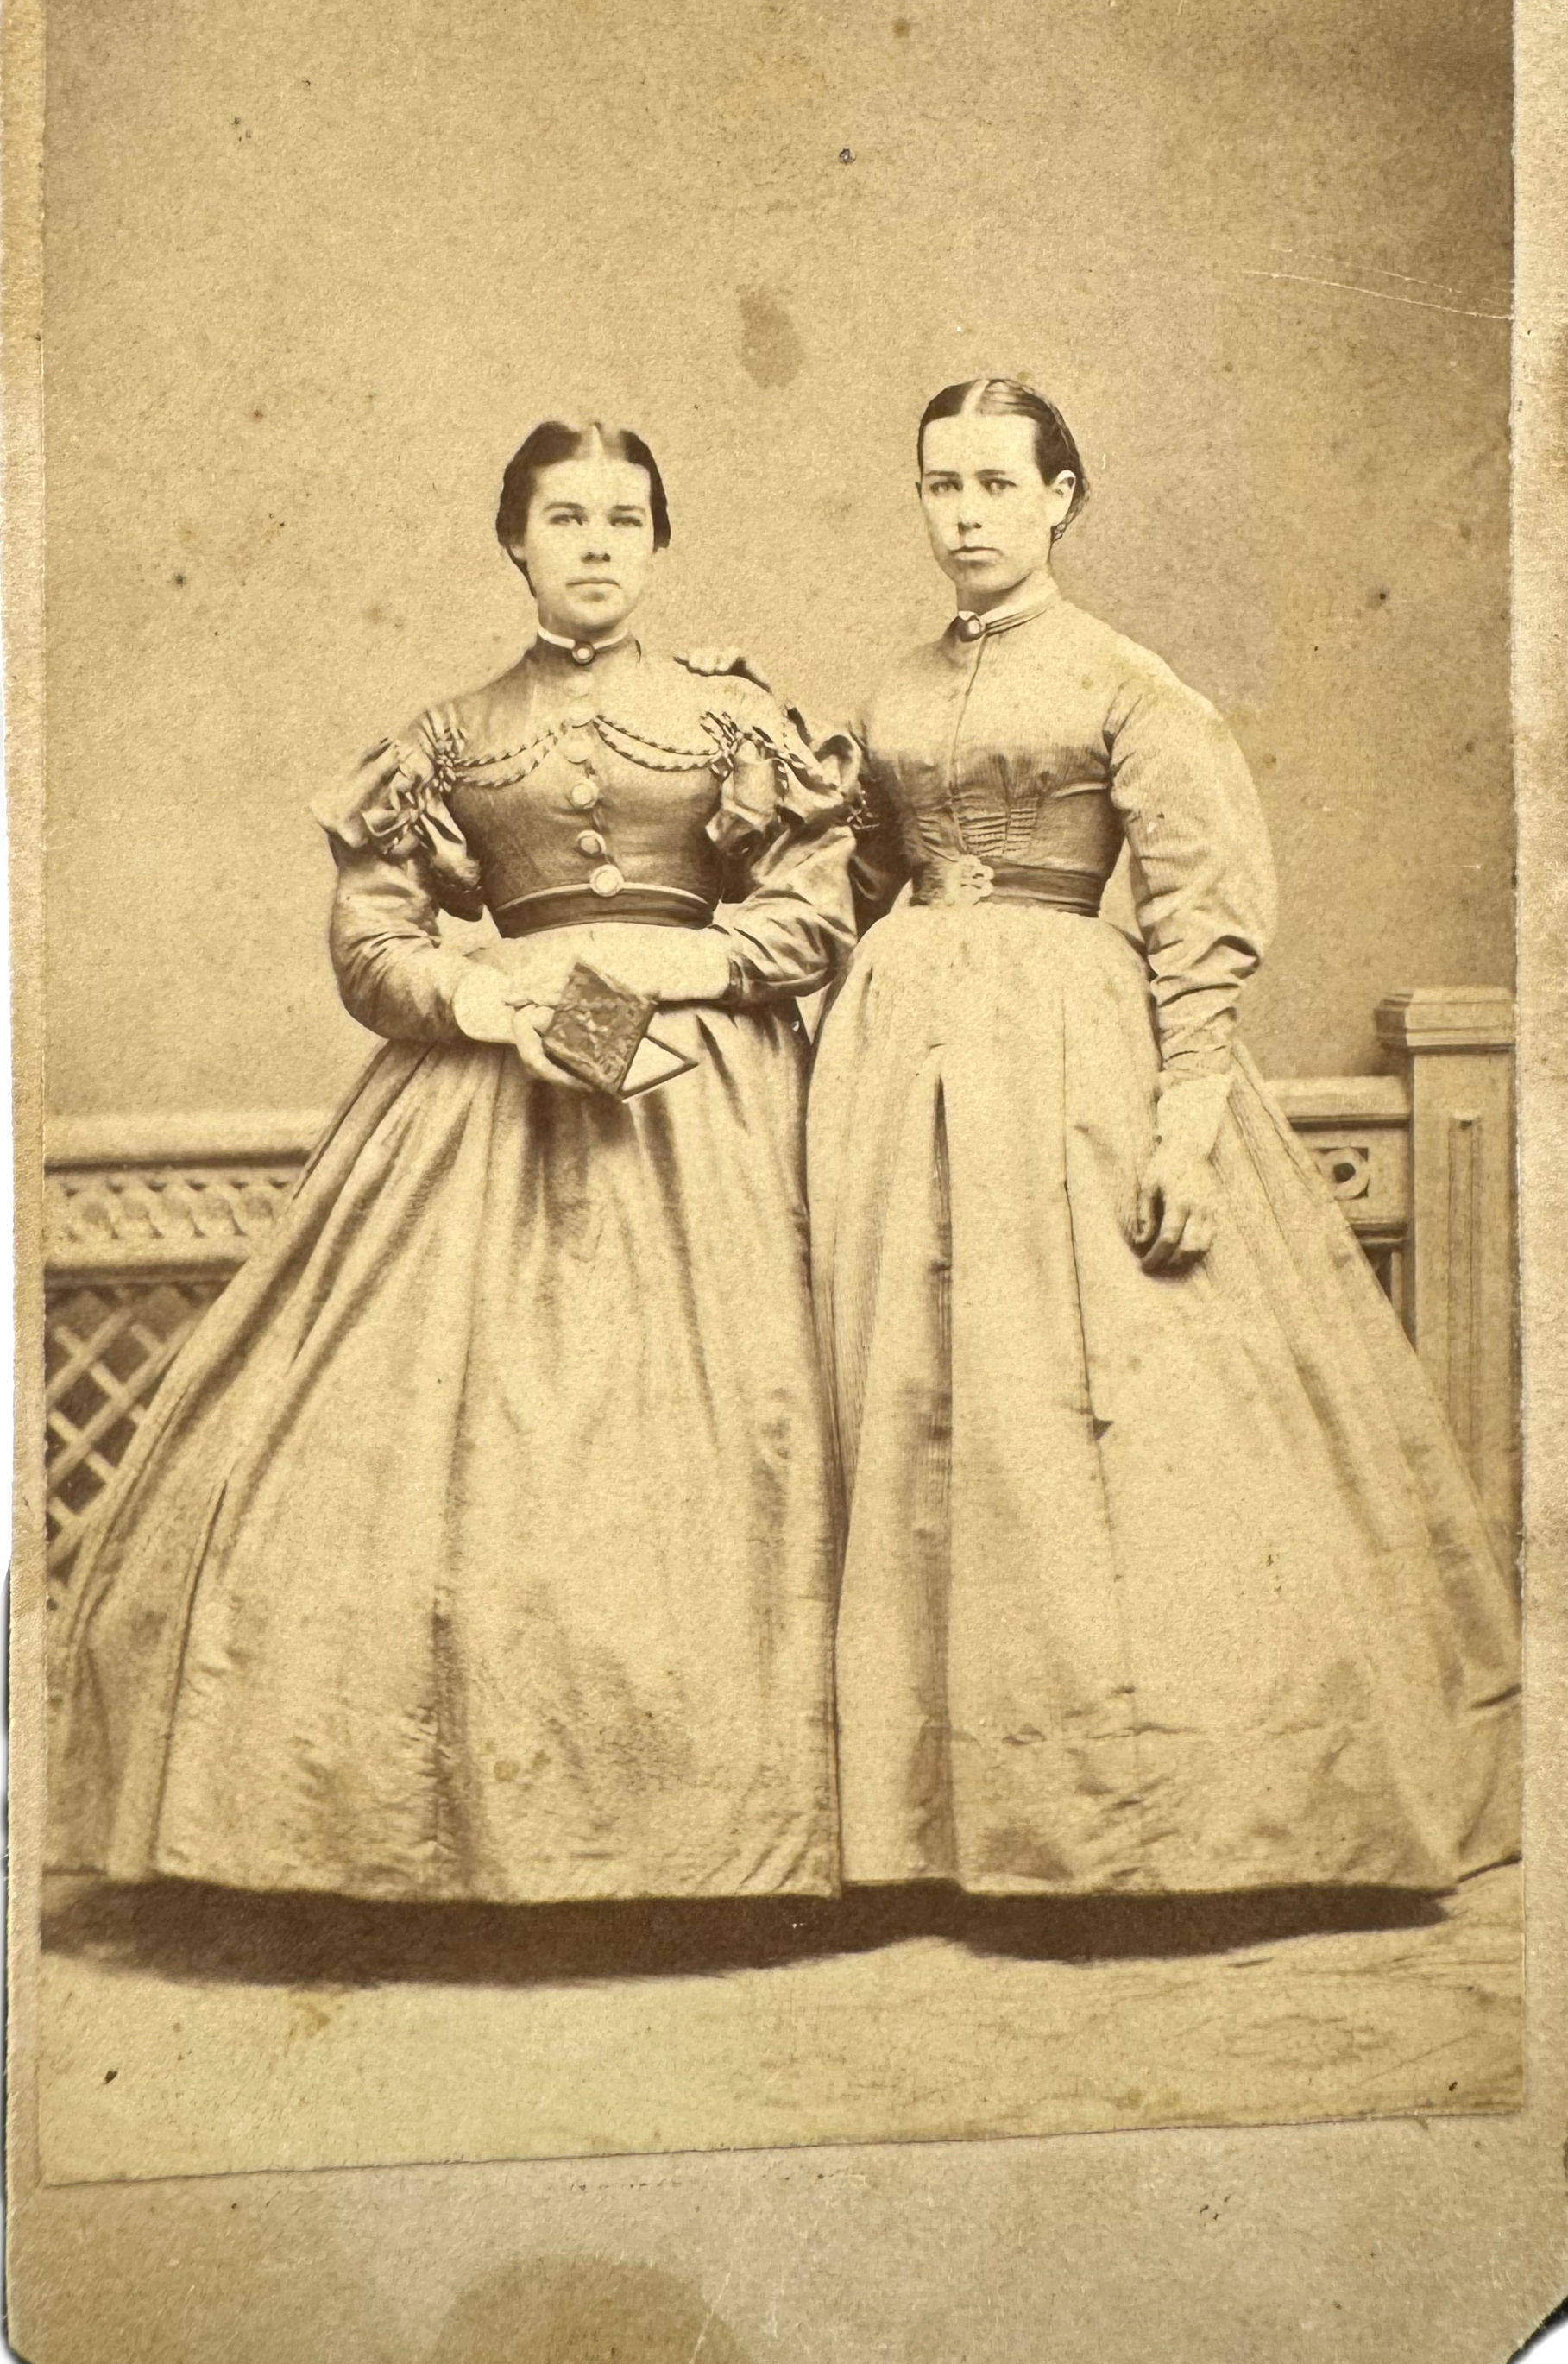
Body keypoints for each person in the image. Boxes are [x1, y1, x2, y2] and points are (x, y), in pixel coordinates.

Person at [52, 419, 857, 1905]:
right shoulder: (442, 737)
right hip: (488, 1098)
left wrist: (684, 970)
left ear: (661, 541)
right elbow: (370, 946)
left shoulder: (737, 723)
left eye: (625, 517)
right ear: (515, 543)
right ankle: (460, 1849)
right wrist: (486, 997)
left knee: (746, 1437)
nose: (598, 545)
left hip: (713, 1109)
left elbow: (817, 909)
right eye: (565, 519)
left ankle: (734, 1848)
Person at [808, 376, 1521, 1899]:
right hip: (894, 1068)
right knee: (919, 1405)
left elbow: (1202, 923)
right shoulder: (884, 692)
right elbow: (848, 885)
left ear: (1061, 498)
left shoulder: (1132, 685)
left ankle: (1125, 1829)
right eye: (942, 488)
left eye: (999, 486)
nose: (966, 517)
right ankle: (928, 1828)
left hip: (1069, 1055)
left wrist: (1183, 1127)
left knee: (1072, 1417)